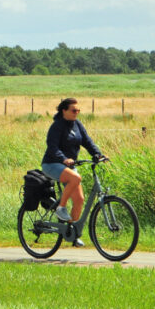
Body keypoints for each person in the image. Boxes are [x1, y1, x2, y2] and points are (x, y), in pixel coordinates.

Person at [42, 97, 106, 246]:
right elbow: (52, 147)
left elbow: (87, 141)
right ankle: (61, 208)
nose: (76, 112)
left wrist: (98, 154)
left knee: (79, 200)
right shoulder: (57, 126)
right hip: (52, 164)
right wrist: (64, 159)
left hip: (68, 167)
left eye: (78, 110)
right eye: (73, 110)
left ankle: (72, 233)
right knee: (76, 178)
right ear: (64, 111)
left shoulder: (77, 124)